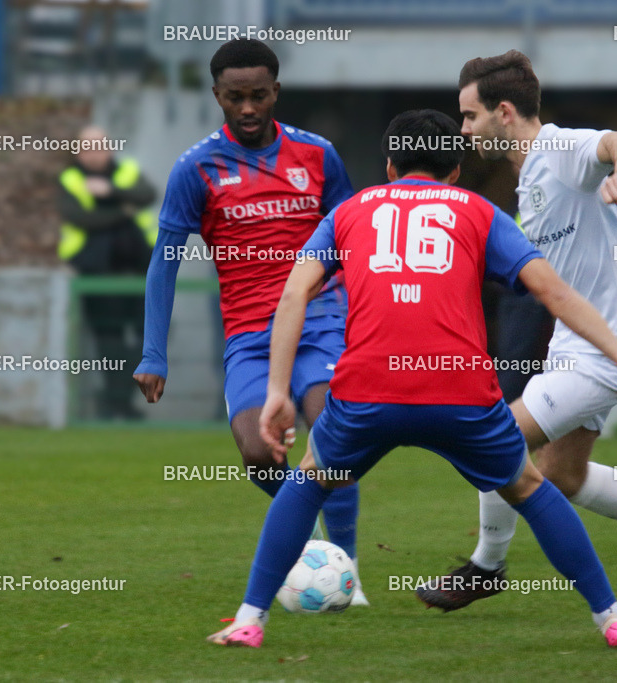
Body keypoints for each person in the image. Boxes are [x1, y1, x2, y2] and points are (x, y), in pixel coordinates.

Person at [207, 109, 617, 650]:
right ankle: (612, 619)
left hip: (367, 389)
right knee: (527, 487)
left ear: (388, 165)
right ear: (455, 169)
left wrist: (278, 393)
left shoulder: (350, 212)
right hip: (458, 393)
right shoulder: (480, 211)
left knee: (308, 480)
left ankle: (249, 620)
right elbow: (556, 293)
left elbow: (293, 295)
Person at [416, 50, 617, 613]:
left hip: (608, 347)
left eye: (470, 115)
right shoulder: (528, 177)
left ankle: (487, 566)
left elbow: (616, 142)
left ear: (504, 112)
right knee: (564, 474)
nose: (464, 128)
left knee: (496, 439)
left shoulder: (558, 150)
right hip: (578, 344)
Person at [131, 39, 366, 599]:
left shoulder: (317, 155)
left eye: (258, 95)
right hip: (250, 336)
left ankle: (346, 567)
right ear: (217, 96)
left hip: (321, 322)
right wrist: (153, 352)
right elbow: (164, 262)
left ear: (275, 91)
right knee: (259, 455)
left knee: (332, 437)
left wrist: (365, 321)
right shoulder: (195, 168)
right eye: (235, 97)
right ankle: (307, 536)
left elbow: (355, 240)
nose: (248, 108)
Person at [58, 125, 157, 420]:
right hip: (97, 275)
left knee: (146, 341)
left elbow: (147, 194)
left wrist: (112, 192)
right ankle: (116, 403)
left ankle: (122, 399)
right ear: (77, 151)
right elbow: (80, 218)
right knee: (108, 341)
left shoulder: (127, 170)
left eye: (98, 145)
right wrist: (122, 210)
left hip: (141, 273)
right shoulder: (69, 179)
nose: (93, 153)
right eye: (86, 147)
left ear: (110, 147)